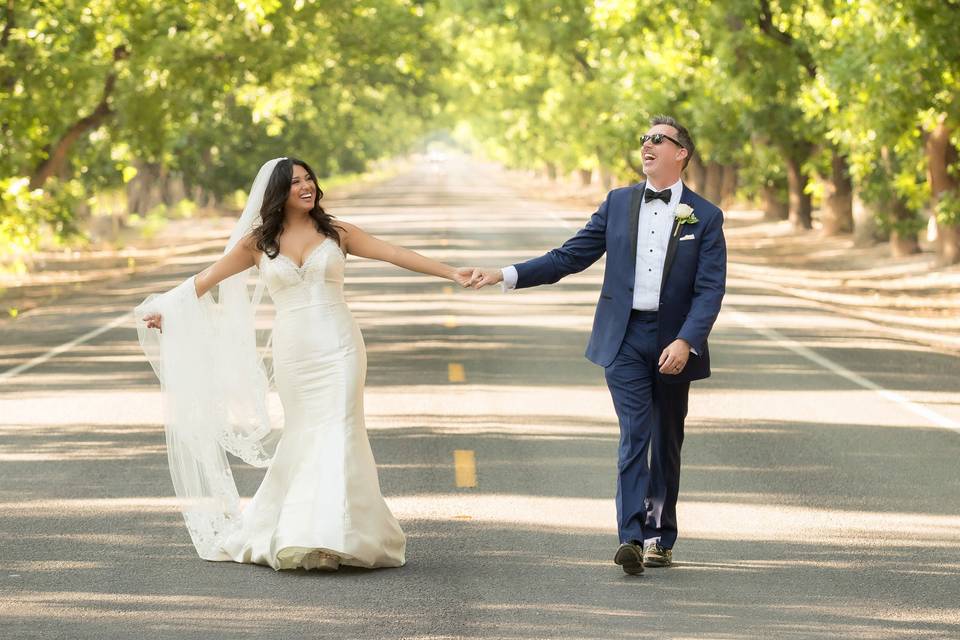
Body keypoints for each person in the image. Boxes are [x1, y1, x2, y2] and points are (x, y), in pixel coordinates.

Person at [138, 157, 472, 571]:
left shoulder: (337, 233)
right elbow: (205, 280)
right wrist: (166, 310)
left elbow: (394, 253)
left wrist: (451, 273)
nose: (306, 186)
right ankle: (300, 527)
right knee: (304, 433)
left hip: (341, 347)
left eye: (309, 178)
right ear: (278, 192)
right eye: (295, 182)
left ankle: (333, 536)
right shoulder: (258, 243)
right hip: (295, 353)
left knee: (341, 430)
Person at [465, 116, 726, 575]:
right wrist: (505, 275)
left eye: (658, 140)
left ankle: (660, 538)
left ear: (681, 153)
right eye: (644, 138)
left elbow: (710, 290)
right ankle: (630, 536)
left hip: (674, 341)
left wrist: (687, 340)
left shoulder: (704, 216)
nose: (647, 145)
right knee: (635, 433)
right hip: (622, 337)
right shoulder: (618, 202)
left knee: (666, 439)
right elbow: (569, 256)